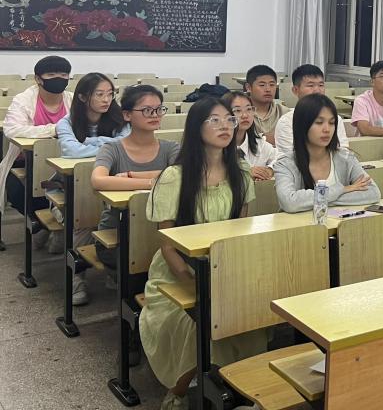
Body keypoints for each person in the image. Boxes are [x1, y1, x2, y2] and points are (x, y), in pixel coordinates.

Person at [139, 97, 262, 410]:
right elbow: (167, 245)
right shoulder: (175, 177)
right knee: (199, 320)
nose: (225, 126)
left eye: (229, 119)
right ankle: (178, 390)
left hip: (225, 266)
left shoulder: (240, 171)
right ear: (196, 128)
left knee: (254, 312)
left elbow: (240, 230)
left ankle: (243, 384)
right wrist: (196, 283)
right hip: (177, 272)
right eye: (214, 120)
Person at [55, 72, 130, 305]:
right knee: (83, 218)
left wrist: (88, 142)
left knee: (123, 218)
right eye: (100, 94)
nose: (106, 100)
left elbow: (127, 145)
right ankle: (77, 278)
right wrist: (109, 145)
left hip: (112, 181)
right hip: (75, 184)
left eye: (110, 94)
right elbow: (71, 151)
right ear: (82, 97)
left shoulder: (120, 119)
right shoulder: (66, 122)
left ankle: (112, 269)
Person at [91, 86, 178, 285]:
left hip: (162, 233)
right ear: (127, 115)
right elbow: (98, 180)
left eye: (159, 109)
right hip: (118, 234)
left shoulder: (171, 148)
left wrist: (131, 176)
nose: (155, 115)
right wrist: (151, 183)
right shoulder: (112, 148)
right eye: (147, 110)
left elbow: (180, 175)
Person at [0, 55, 74, 254]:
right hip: (24, 161)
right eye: (52, 74)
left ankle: (55, 226)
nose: (59, 78)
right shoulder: (24, 100)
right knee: (20, 193)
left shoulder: (72, 99)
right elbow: (12, 130)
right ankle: (44, 226)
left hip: (64, 160)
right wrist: (55, 129)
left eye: (64, 74)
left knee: (75, 191)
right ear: (38, 79)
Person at [274, 94, 380, 212]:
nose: (327, 129)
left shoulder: (345, 157)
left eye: (332, 123)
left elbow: (373, 193)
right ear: (302, 125)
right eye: (319, 122)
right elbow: (289, 203)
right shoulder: (285, 164)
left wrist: (322, 200)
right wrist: (342, 189)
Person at [273, 64, 332, 158]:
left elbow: (342, 153)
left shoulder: (334, 119)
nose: (317, 90)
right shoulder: (286, 122)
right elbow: (290, 158)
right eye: (310, 85)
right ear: (295, 90)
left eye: (321, 85)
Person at [223, 91, 278, 180]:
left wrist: (269, 170)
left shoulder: (259, 143)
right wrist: (245, 173)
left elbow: (281, 158)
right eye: (237, 110)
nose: (245, 115)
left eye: (249, 109)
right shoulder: (217, 147)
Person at [244, 65, 284, 145]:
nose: (268, 89)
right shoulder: (241, 114)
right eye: (262, 85)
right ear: (248, 87)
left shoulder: (284, 112)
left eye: (272, 85)